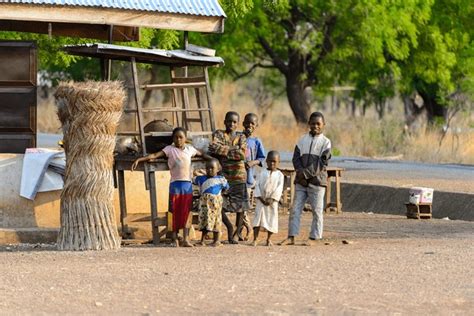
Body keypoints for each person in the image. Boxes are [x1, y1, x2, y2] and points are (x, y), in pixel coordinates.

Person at [131, 127, 208, 247]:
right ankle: (174, 238)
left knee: (186, 212)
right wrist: (140, 159)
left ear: (185, 138)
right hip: (175, 186)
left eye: (181, 137)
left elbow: (202, 154)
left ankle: (186, 238)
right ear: (173, 139)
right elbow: (155, 155)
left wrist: (213, 159)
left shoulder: (190, 149)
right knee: (173, 212)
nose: (178, 140)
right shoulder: (169, 149)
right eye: (176, 137)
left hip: (187, 186)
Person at [279, 112, 331, 246]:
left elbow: (322, 163)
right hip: (301, 182)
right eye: (313, 123)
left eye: (318, 124)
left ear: (323, 125)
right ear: (309, 124)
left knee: (317, 211)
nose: (315, 126)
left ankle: (314, 238)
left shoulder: (326, 143)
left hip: (317, 182)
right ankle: (291, 236)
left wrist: (305, 174)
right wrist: (300, 173)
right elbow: (296, 159)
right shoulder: (302, 140)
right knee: (295, 209)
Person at [208, 111, 248, 244]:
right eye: (229, 121)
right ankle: (230, 228)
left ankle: (237, 233)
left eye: (234, 122)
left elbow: (242, 155)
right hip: (223, 176)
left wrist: (224, 151)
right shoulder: (218, 134)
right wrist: (233, 149)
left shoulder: (241, 137)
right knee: (219, 204)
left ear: (238, 124)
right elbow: (213, 147)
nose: (231, 124)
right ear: (224, 121)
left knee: (241, 206)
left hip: (239, 176)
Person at [236, 112, 266, 241]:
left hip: (248, 179)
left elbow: (262, 158)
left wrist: (252, 162)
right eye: (247, 123)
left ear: (256, 126)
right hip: (235, 178)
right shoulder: (237, 137)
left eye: (252, 123)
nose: (249, 125)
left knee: (244, 206)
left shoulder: (256, 141)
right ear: (243, 123)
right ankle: (244, 229)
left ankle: (243, 229)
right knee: (238, 206)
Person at [193, 158, 229, 247]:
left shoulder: (221, 179)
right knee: (204, 220)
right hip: (204, 204)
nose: (209, 170)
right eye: (207, 168)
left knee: (216, 220)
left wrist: (220, 195)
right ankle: (202, 240)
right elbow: (193, 178)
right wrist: (198, 172)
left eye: (212, 168)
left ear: (218, 169)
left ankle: (217, 240)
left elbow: (226, 188)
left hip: (215, 205)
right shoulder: (201, 179)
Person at [251, 151, 284, 246]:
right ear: (266, 161)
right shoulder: (262, 172)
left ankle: (268, 239)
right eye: (270, 161)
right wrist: (261, 198)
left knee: (271, 220)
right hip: (261, 200)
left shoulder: (280, 175)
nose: (272, 163)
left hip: (272, 202)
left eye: (274, 161)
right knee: (258, 219)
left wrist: (272, 199)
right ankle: (255, 239)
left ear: (278, 162)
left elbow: (279, 188)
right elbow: (257, 185)